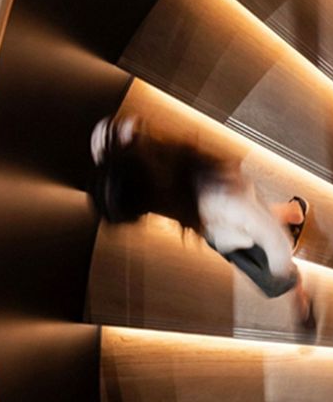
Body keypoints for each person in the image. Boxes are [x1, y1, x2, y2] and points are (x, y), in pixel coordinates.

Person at [89, 113, 315, 330]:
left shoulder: (214, 197)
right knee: (250, 223)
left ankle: (300, 297)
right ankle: (294, 212)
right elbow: (110, 132)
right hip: (221, 222)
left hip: (228, 224)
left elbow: (264, 228)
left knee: (272, 272)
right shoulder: (152, 161)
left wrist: (280, 262)